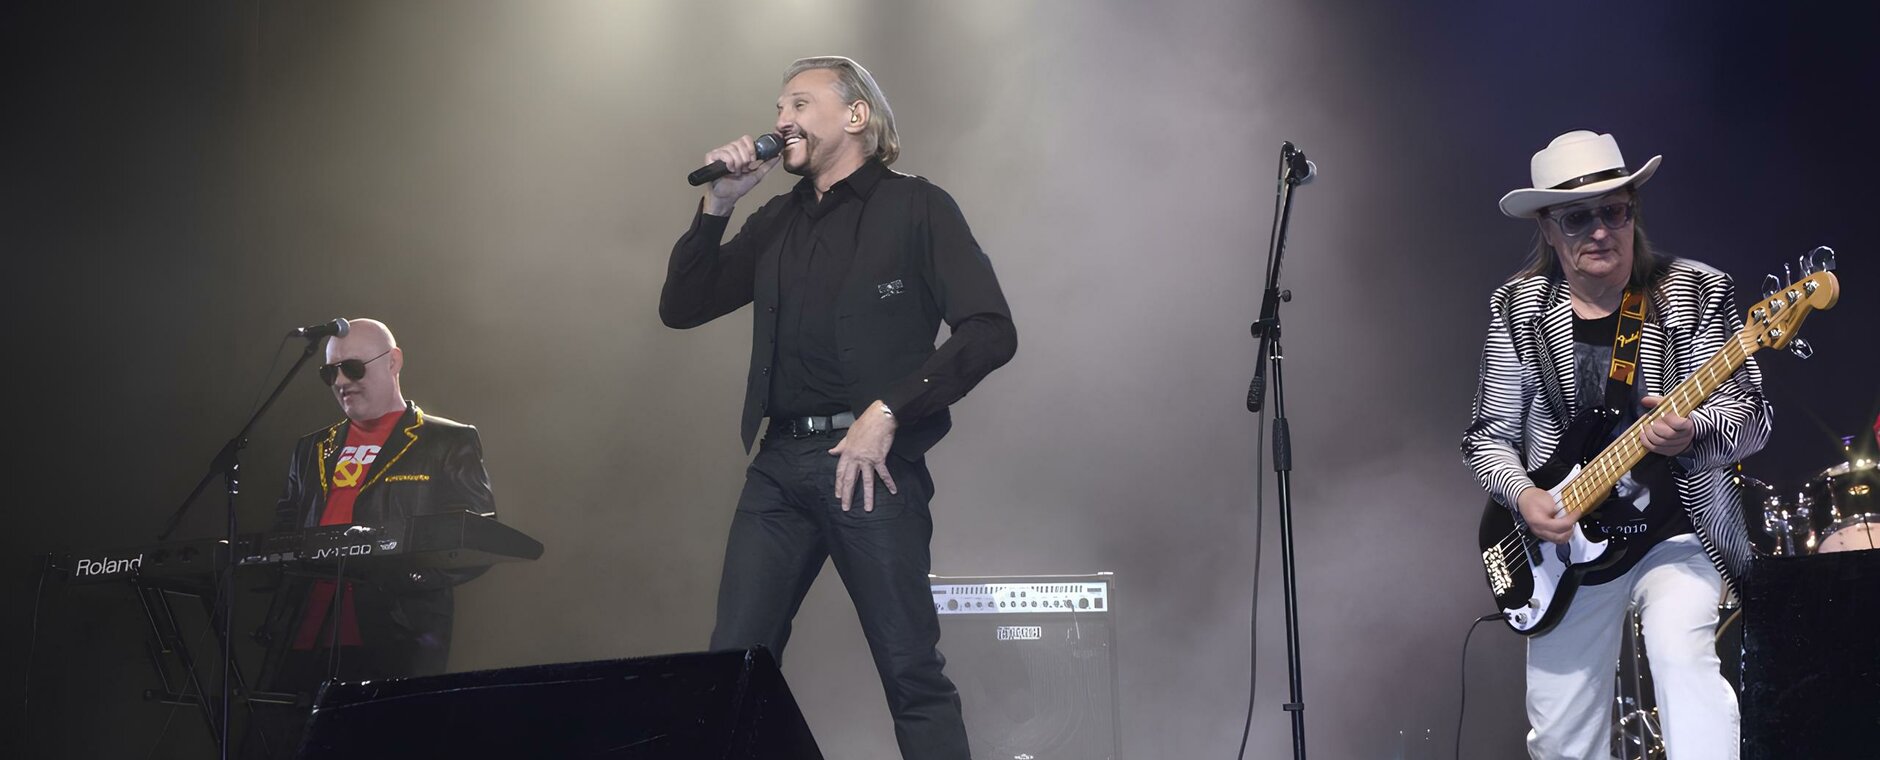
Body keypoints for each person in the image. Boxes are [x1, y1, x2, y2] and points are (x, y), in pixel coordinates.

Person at [660, 56, 1016, 759]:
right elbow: (683, 306)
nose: (780, 120)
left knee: (910, 671)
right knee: (732, 669)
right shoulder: (775, 219)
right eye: (778, 108)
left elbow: (990, 330)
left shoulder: (917, 207)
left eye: (799, 103)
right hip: (779, 468)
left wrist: (889, 411)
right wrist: (719, 205)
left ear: (857, 115)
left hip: (869, 467)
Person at [1461, 131, 1770, 759]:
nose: (1601, 230)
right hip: (1564, 556)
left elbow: (1753, 419)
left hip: (1677, 534)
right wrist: (1523, 496)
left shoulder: (1696, 291)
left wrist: (1694, 432)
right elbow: (1488, 437)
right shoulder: (1518, 308)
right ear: (1548, 229)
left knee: (1682, 660)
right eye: (1578, 218)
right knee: (1561, 738)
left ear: (1633, 213)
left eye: (1615, 210)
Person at [255, 318, 495, 737]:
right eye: (330, 372)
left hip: (395, 630)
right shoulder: (311, 448)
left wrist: (406, 576)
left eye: (353, 368)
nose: (341, 382)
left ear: (393, 362)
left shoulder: (447, 441)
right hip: (304, 633)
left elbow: (477, 537)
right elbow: (285, 528)